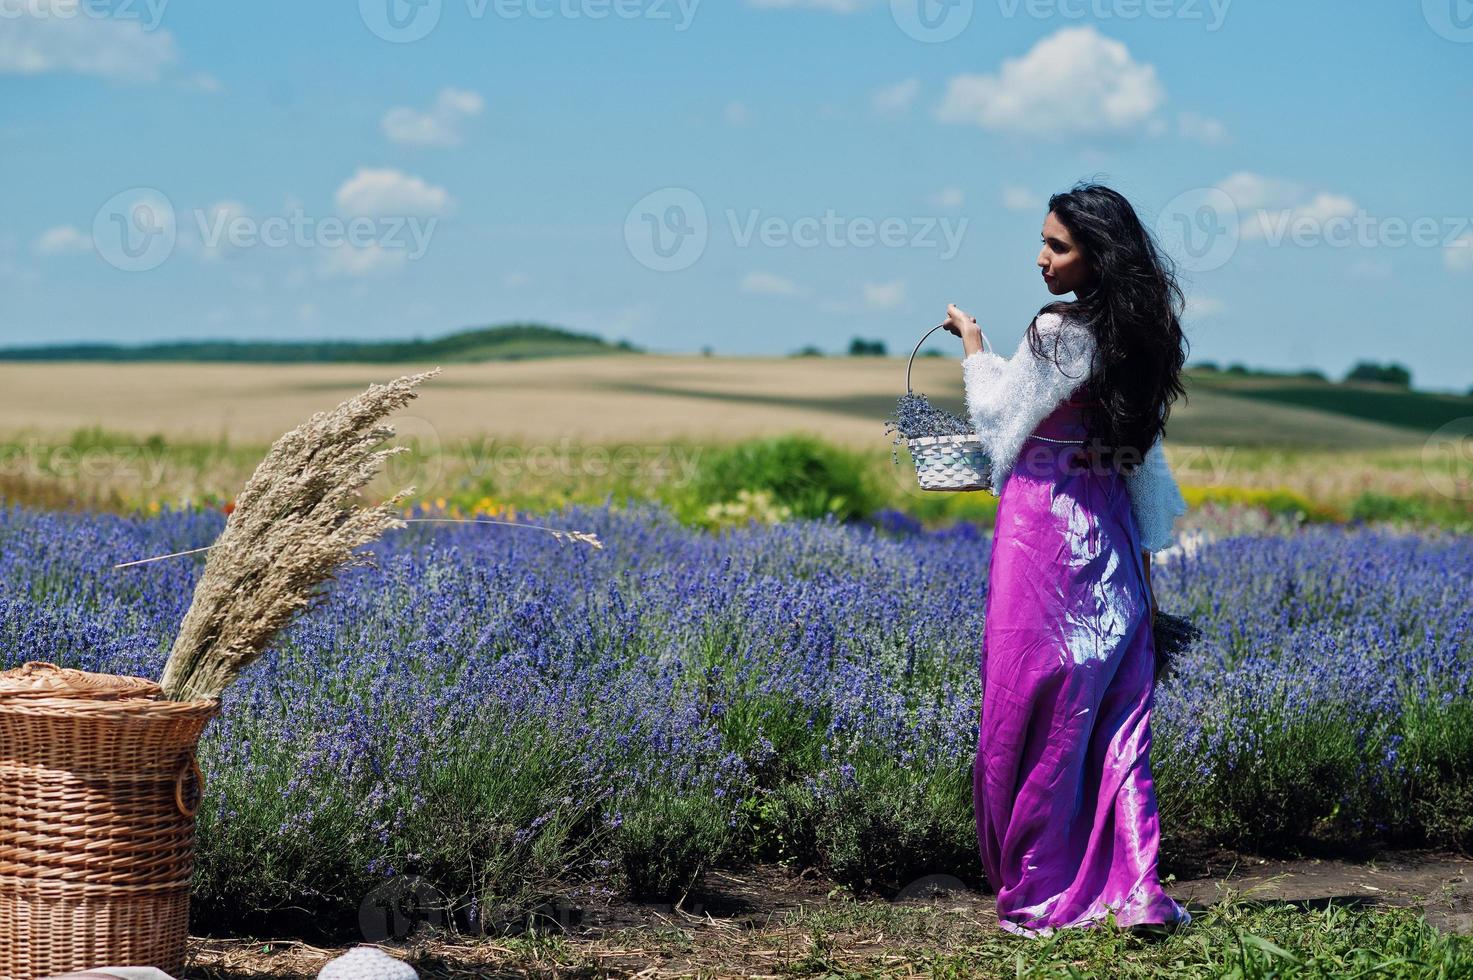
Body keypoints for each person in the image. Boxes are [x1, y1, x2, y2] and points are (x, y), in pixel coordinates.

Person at [942, 182, 1192, 939]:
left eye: (1057, 245)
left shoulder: (1056, 330)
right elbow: (1139, 449)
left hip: (1043, 534)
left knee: (1032, 704)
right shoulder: (1143, 334)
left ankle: (1042, 888)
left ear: (1096, 255)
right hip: (1109, 532)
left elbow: (995, 419)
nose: (1041, 258)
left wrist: (974, 346)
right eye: (1044, 242)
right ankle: (1137, 890)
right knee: (1115, 711)